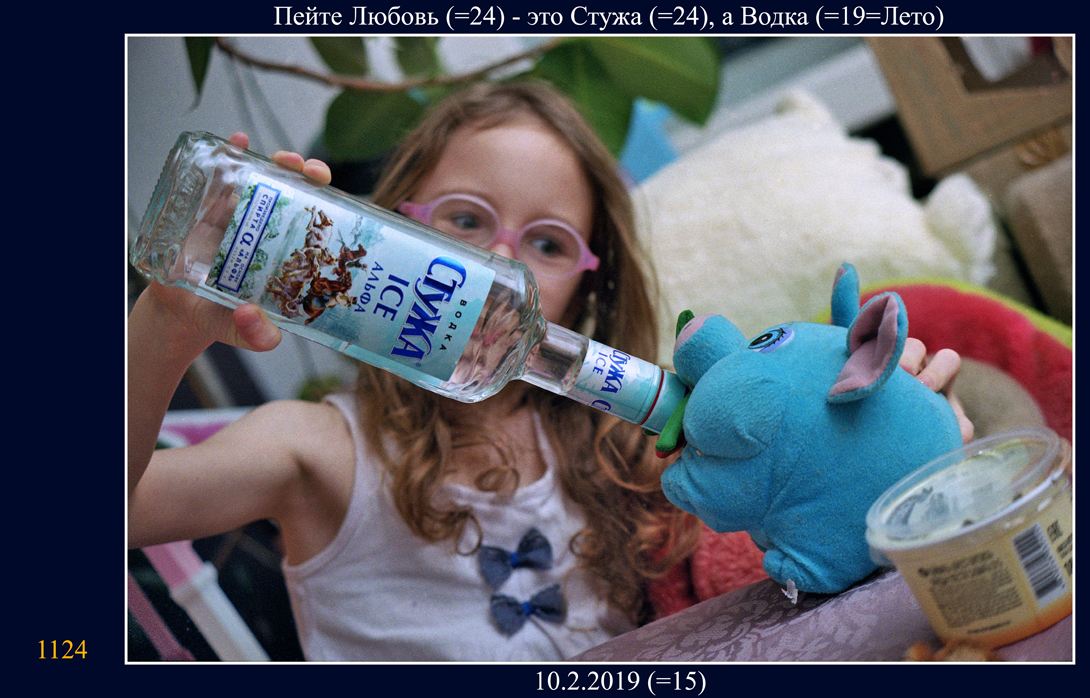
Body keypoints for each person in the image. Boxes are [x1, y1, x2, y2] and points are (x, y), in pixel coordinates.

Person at [128, 80, 972, 662]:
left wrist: (884, 448)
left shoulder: (619, 447)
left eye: (546, 243)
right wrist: (165, 330)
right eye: (465, 221)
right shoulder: (317, 448)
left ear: (589, 287)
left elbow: (799, 516)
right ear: (384, 229)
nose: (501, 262)